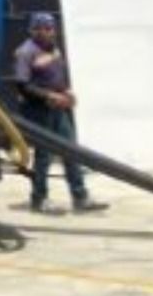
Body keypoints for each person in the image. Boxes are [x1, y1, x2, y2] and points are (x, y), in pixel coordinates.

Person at [13, 13, 107, 215]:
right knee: (43, 156)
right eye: (40, 28)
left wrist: (66, 92)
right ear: (32, 30)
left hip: (58, 110)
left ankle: (80, 197)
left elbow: (57, 76)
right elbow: (22, 85)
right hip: (38, 110)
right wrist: (49, 96)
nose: (45, 32)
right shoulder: (25, 52)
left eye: (49, 28)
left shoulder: (54, 49)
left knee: (71, 151)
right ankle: (39, 199)